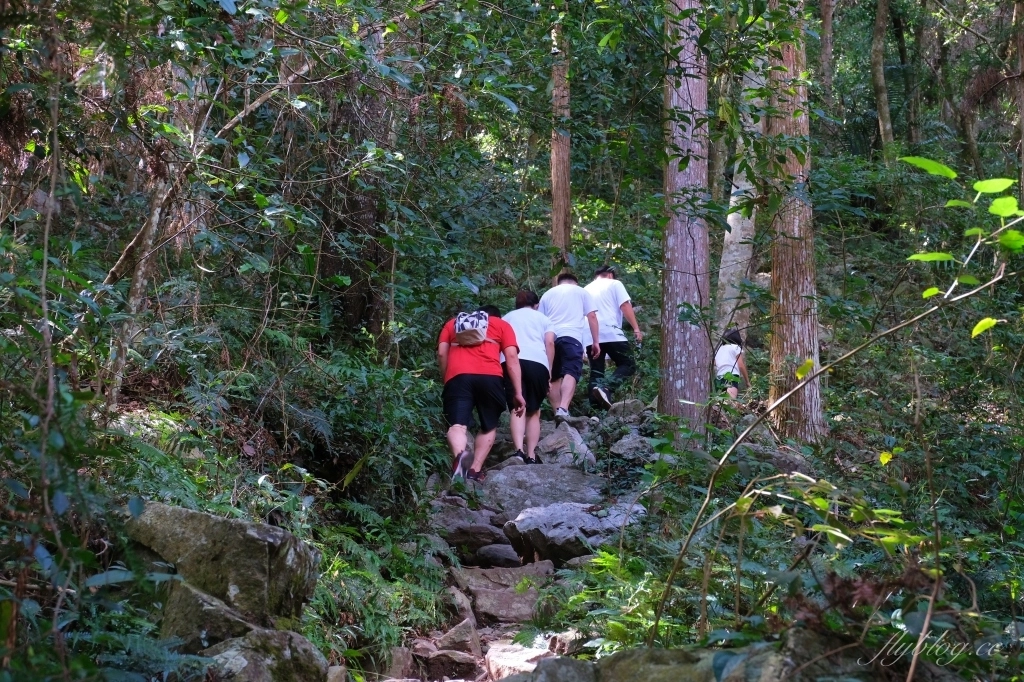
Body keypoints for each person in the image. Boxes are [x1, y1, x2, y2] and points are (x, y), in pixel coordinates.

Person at [438, 305, 525, 482]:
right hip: (490, 377)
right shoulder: (501, 325)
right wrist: (518, 392)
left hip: (458, 376)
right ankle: (474, 470)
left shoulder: (452, 324)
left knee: (457, 426)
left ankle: (461, 456)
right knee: (489, 426)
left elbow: (441, 353)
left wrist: (448, 378)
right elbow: (512, 358)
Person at [501, 291, 555, 463]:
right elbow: (550, 343)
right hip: (538, 363)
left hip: (511, 360)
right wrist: (549, 372)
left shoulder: (507, 317)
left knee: (517, 407)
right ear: (536, 305)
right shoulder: (544, 319)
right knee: (533, 411)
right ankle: (531, 454)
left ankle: (518, 451)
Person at [539, 272, 600, 420]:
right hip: (571, 336)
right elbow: (591, 316)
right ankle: (563, 408)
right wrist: (596, 341)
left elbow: (540, 320)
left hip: (551, 338)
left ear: (559, 282)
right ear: (575, 282)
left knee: (553, 377)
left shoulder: (547, 294)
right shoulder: (581, 292)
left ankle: (557, 412)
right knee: (571, 371)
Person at [583, 265, 644, 409]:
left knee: (597, 371)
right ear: (610, 275)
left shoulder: (586, 289)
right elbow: (624, 305)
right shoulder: (615, 283)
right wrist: (636, 328)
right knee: (628, 364)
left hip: (590, 334)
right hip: (611, 332)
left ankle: (595, 412)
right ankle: (606, 387)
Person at [714, 328, 750, 400]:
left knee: (721, 405)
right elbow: (740, 365)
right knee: (730, 402)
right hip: (731, 376)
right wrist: (747, 381)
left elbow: (715, 363)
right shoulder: (735, 347)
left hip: (719, 378)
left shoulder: (718, 349)